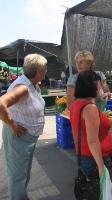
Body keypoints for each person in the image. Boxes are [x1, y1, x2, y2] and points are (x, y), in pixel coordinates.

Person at [0, 54, 47, 200]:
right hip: (19, 138)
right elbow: (1, 104)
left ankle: (22, 196)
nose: (47, 71)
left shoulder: (31, 84)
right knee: (18, 175)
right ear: (38, 71)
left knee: (23, 172)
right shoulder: (23, 87)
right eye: (45, 68)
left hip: (26, 138)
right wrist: (13, 125)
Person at [69, 70, 112, 179]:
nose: (100, 87)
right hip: (93, 159)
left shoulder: (76, 103)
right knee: (99, 193)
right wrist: (101, 166)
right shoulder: (90, 108)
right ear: (93, 85)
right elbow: (92, 140)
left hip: (85, 156)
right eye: (99, 83)